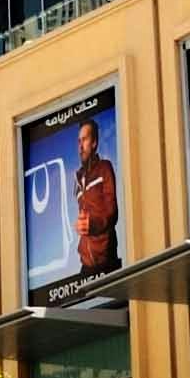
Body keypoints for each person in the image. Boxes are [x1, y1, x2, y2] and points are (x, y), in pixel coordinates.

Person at [71, 116, 121, 276]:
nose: (80, 146)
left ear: (94, 143)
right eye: (78, 141)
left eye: (84, 140)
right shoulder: (77, 178)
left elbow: (112, 211)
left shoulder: (104, 168)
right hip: (86, 262)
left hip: (106, 257)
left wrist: (92, 223)